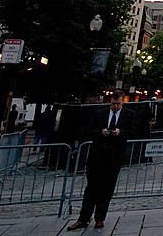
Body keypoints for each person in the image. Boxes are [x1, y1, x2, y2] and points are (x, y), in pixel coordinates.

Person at [68, 91, 134, 230]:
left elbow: (134, 130)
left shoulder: (129, 114)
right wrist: (101, 131)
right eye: (113, 104)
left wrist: (120, 132)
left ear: (123, 102)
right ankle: (83, 218)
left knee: (107, 189)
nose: (115, 106)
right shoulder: (100, 114)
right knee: (91, 188)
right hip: (97, 156)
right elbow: (89, 129)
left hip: (114, 157)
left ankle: (100, 218)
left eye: (118, 104)